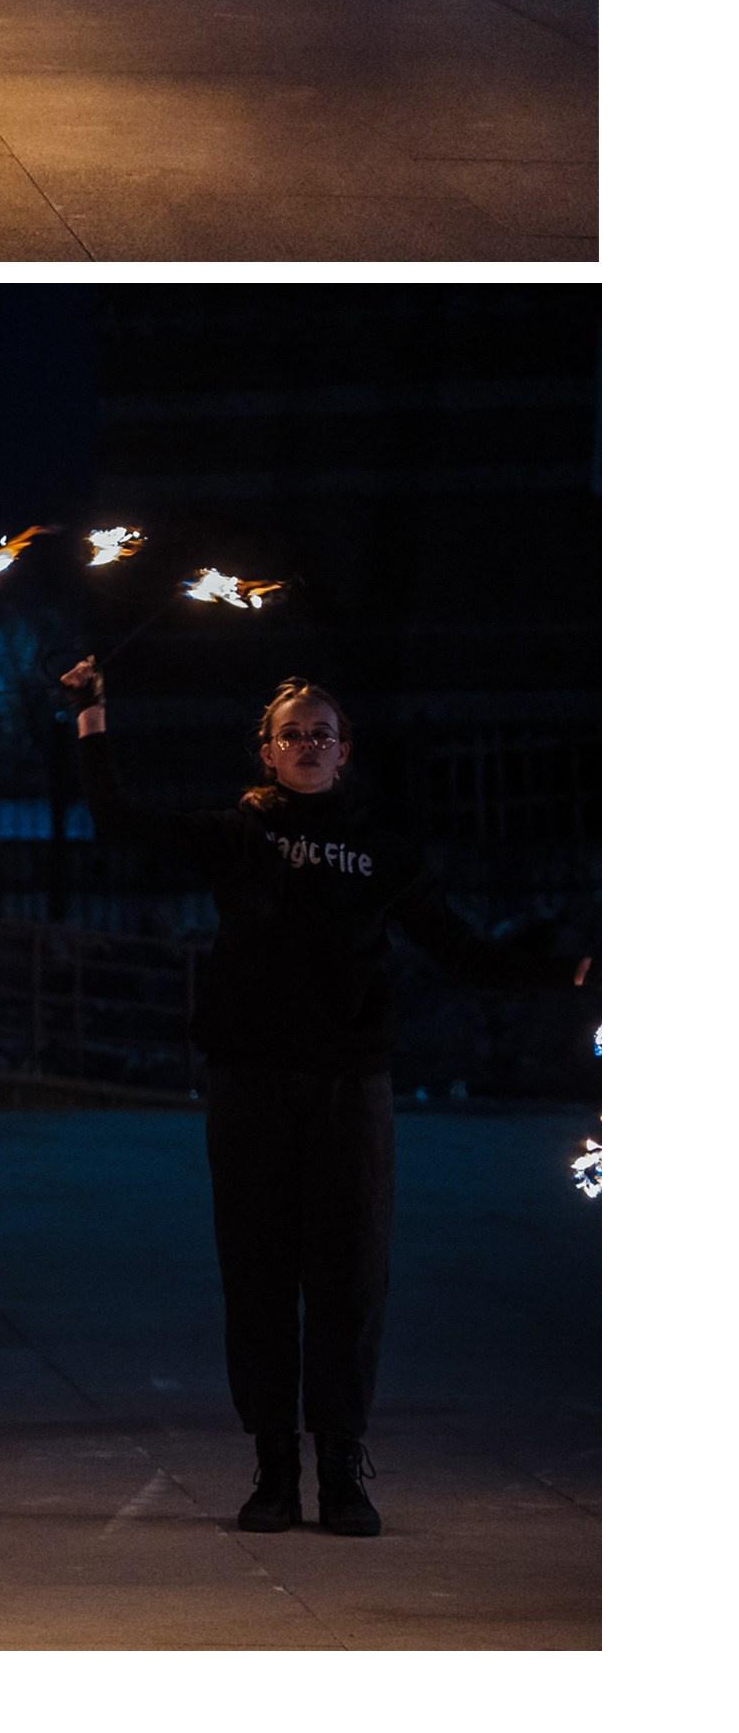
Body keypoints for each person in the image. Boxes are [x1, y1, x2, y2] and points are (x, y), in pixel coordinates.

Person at [60, 657, 590, 1541]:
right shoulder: (236, 834)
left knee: (348, 1282)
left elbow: (460, 953)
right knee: (259, 1275)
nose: (307, 744)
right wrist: (91, 713)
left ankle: (341, 1470)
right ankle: (273, 1471)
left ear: (345, 753)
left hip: (350, 1089)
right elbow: (116, 818)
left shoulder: (383, 853)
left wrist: (565, 970)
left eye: (322, 733)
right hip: (250, 1086)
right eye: (291, 733)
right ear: (265, 754)